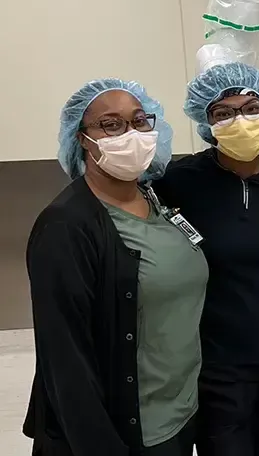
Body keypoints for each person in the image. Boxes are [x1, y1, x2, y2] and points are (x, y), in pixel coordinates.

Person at [24, 79, 207, 456]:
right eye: (111, 124)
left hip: (182, 413)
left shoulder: (155, 200)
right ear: (81, 139)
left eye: (140, 121)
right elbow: (65, 360)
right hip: (128, 430)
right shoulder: (67, 226)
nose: (131, 134)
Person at [152, 62, 259, 456]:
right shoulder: (180, 182)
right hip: (216, 364)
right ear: (205, 123)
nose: (240, 120)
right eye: (223, 113)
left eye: (251, 107)